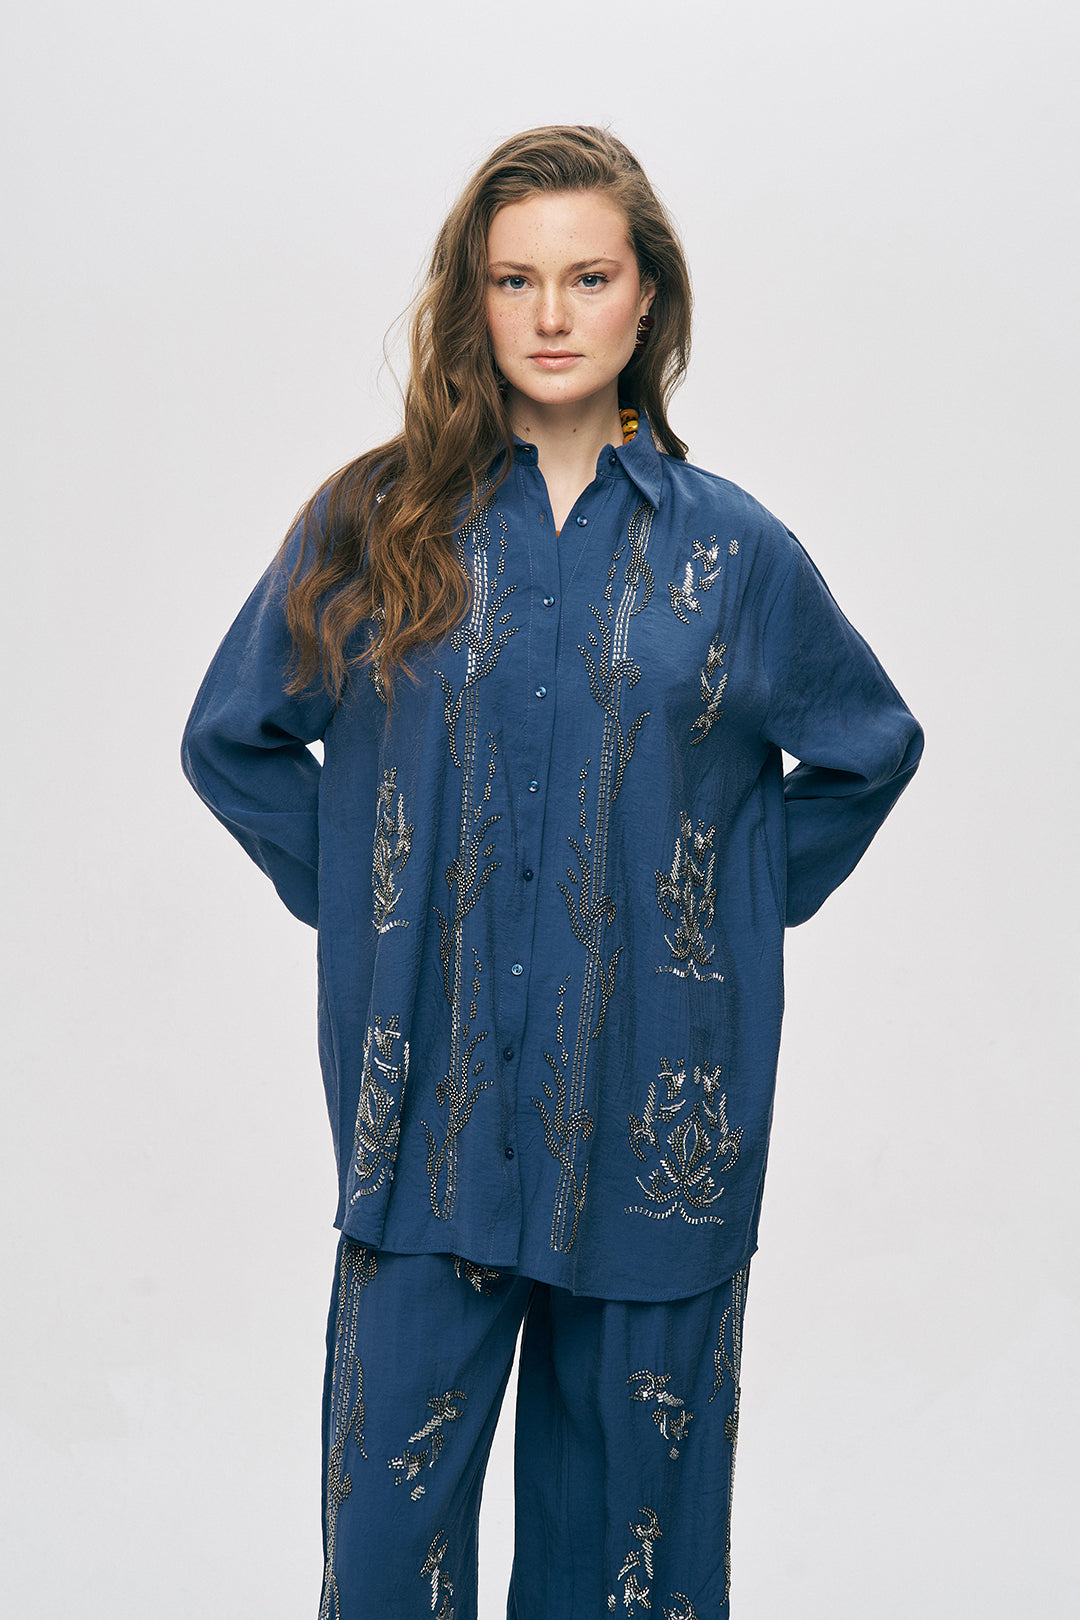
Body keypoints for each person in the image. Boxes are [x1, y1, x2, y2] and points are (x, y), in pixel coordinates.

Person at [181, 125, 923, 1620]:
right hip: (425, 1131)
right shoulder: (378, 522)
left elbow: (869, 746)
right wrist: (384, 903)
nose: (552, 314)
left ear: (648, 300)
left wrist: (703, 913)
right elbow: (233, 738)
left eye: (589, 277)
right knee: (386, 1561)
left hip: (659, 1125)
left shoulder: (735, 557)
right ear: (474, 300)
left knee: (628, 1569)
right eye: (515, 279)